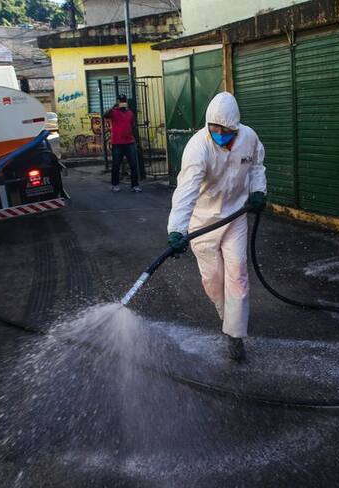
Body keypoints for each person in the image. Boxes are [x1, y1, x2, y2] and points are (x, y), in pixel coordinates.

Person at [166, 92, 267, 362]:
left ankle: (234, 334)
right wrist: (177, 229)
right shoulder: (198, 147)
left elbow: (257, 166)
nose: (219, 133)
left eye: (225, 130)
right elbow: (186, 192)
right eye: (214, 128)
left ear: (236, 127)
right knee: (213, 279)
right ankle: (225, 315)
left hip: (235, 217)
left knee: (238, 273)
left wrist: (258, 190)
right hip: (203, 222)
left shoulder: (249, 138)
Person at [104, 94, 141, 193]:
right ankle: (115, 184)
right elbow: (105, 115)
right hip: (117, 143)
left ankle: (135, 185)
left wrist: (135, 141)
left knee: (133, 164)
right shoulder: (114, 112)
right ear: (118, 102)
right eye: (121, 101)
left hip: (129, 142)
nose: (122, 103)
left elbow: (133, 127)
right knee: (116, 164)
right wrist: (114, 106)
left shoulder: (130, 113)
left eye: (124, 101)